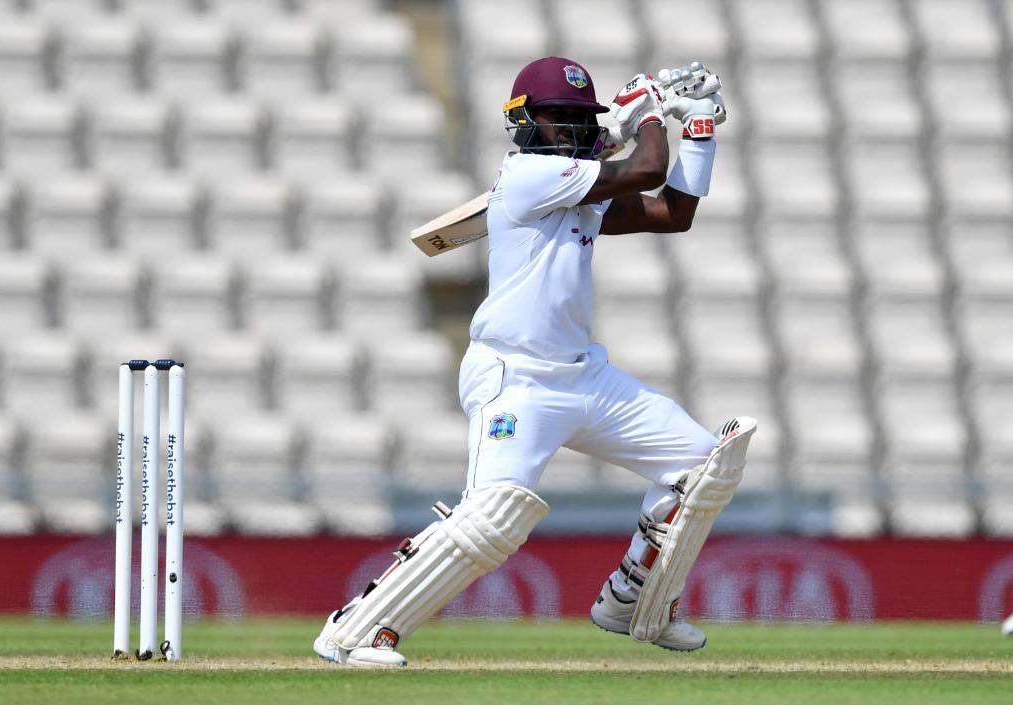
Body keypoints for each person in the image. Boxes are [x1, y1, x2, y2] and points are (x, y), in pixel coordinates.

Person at [314, 56, 754, 668]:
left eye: (581, 119)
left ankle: (632, 599)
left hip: (584, 377)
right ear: (522, 123)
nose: (571, 128)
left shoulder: (581, 186)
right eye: (557, 117)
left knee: (701, 466)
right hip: (514, 377)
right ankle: (357, 630)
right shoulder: (526, 176)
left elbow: (671, 213)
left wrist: (699, 131)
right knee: (495, 516)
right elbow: (647, 167)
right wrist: (652, 111)